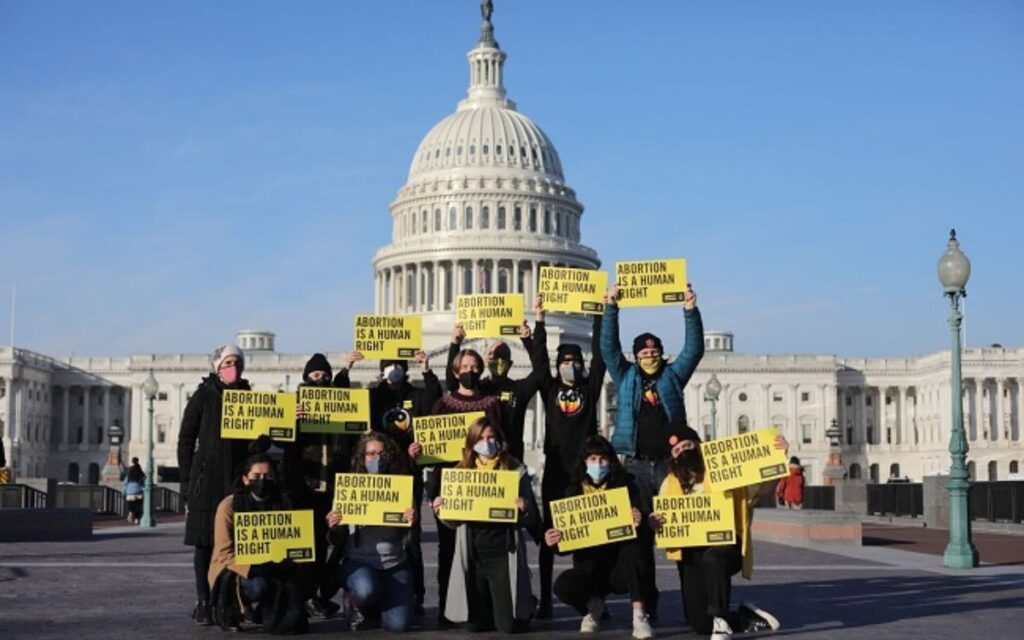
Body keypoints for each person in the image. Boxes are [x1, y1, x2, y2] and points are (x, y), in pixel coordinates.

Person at [601, 282, 704, 617]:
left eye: (654, 351)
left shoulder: (673, 376)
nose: (649, 356)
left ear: (661, 353)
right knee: (640, 538)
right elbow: (608, 349)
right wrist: (611, 307)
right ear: (636, 357)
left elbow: (694, 350)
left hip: (669, 465)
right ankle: (646, 603)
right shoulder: (625, 376)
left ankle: (694, 603)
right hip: (634, 464)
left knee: (683, 531)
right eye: (644, 353)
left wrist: (689, 310)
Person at [650, 439, 785, 640]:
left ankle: (720, 621)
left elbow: (763, 490)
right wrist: (654, 522)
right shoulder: (669, 483)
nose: (683, 451)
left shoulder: (724, 473)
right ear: (672, 458)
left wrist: (779, 457)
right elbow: (661, 516)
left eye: (687, 446)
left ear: (699, 446)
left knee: (713, 558)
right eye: (677, 450)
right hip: (692, 554)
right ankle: (744, 617)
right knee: (700, 625)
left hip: (725, 546)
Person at [529, 294, 607, 618]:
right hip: (556, 469)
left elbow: (601, 356)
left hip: (584, 471)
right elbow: (538, 362)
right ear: (558, 363)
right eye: (565, 360)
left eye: (575, 360)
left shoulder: (590, 389)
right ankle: (547, 599)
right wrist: (540, 320)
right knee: (550, 536)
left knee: (587, 536)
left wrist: (600, 315)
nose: (570, 364)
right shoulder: (549, 389)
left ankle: (591, 597)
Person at [430, 417, 540, 633]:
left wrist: (524, 508)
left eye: (491, 437)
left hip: (503, 553)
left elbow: (533, 519)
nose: (486, 443)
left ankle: (526, 605)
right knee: (474, 626)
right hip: (474, 555)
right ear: (472, 443)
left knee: (508, 627)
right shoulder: (460, 472)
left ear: (499, 440)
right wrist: (441, 510)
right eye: (480, 438)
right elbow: (453, 523)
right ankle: (493, 605)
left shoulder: (515, 469)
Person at [420, 347, 503, 621]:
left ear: (481, 370)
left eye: (474, 367)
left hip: (483, 486)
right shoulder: (442, 404)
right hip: (450, 486)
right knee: (448, 549)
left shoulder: (491, 403)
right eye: (464, 367)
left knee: (481, 548)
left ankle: (481, 606)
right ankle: (447, 607)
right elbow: (432, 449)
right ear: (455, 372)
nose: (469, 371)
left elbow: (500, 443)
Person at [544, 436, 654, 639]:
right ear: (584, 462)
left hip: (621, 567)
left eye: (602, 458)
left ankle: (639, 615)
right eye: (593, 459)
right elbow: (566, 540)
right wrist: (553, 541)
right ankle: (592, 607)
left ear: (610, 461)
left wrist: (640, 520)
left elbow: (646, 528)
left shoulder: (627, 486)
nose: (598, 464)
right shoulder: (573, 491)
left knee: (636, 550)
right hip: (590, 569)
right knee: (563, 586)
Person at [177, 344, 252, 625]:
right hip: (205, 481)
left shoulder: (247, 396)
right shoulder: (203, 395)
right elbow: (186, 439)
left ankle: (230, 599)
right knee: (205, 543)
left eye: (237, 362)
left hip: (235, 480)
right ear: (217, 366)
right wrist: (186, 479)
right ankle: (204, 600)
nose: (233, 367)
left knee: (238, 542)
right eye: (228, 362)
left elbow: (254, 440)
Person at [365, 349, 440, 614]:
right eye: (389, 364)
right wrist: (347, 370)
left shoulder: (415, 394)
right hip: (378, 476)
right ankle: (371, 595)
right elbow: (346, 407)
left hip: (408, 474)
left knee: (411, 537)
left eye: (398, 364)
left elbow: (434, 401)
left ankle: (416, 594)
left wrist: (427, 370)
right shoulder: (373, 396)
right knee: (374, 534)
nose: (394, 368)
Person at [207, 448, 308, 634]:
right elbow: (224, 554)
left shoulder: (284, 503)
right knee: (259, 586)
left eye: (268, 476)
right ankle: (232, 607)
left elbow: (295, 541)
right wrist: (252, 568)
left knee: (301, 576)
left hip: (275, 565)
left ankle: (267, 612)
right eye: (256, 476)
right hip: (237, 570)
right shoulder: (229, 506)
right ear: (245, 479)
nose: (262, 481)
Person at [326, 433, 417, 632]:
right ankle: (357, 602)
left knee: (398, 625)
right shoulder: (349, 489)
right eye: (371, 453)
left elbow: (410, 538)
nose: (377, 458)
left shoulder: (401, 487)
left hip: (395, 564)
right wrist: (334, 526)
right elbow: (336, 539)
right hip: (360, 562)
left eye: (382, 453)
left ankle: (378, 605)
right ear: (362, 458)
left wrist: (412, 522)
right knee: (366, 591)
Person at [283, 353, 344, 619]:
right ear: (306, 377)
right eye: (316, 375)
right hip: (302, 487)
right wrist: (292, 420)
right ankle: (305, 596)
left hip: (329, 487)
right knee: (303, 548)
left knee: (323, 546)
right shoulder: (292, 406)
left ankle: (316, 595)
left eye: (325, 376)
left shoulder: (338, 406)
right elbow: (281, 443)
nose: (321, 380)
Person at [446, 320, 539, 461]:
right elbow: (453, 384)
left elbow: (540, 373)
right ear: (486, 360)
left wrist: (528, 341)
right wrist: (455, 344)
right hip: (480, 460)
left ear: (510, 362)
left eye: (503, 356)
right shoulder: (478, 388)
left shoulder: (519, 389)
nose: (498, 360)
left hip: (509, 460)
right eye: (493, 356)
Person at [123, 457, 145, 524]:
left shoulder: (129, 473)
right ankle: (137, 519)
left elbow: (125, 484)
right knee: (138, 506)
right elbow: (144, 483)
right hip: (138, 492)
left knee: (131, 505)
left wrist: (124, 492)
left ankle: (130, 513)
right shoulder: (140, 473)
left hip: (130, 492)